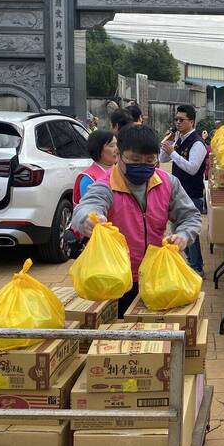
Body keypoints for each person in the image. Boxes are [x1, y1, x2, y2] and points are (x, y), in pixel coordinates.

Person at [72, 125, 202, 316]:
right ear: (119, 155)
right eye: (135, 160)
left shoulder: (167, 183)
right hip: (116, 278)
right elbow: (86, 207)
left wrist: (183, 235)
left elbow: (190, 216)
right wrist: (90, 219)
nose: (143, 166)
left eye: (150, 160)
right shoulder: (106, 185)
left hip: (157, 276)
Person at [160, 104, 209, 276]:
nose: (178, 123)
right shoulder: (178, 140)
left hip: (191, 193)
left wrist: (173, 153)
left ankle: (197, 267)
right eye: (176, 119)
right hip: (176, 194)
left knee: (190, 234)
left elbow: (192, 168)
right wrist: (168, 144)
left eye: (182, 120)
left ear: (192, 122)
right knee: (177, 231)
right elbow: (162, 158)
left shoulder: (198, 143)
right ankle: (189, 263)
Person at [73, 130, 117, 206]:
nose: (116, 149)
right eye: (111, 146)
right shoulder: (88, 179)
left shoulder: (121, 171)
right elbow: (90, 209)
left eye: (117, 145)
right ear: (98, 150)